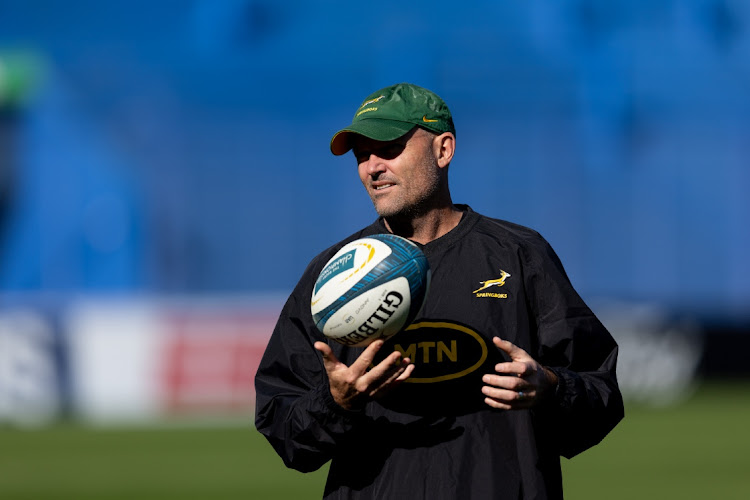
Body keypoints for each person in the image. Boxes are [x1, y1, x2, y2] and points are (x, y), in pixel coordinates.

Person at [255, 83, 624, 499]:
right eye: (361, 155)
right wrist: (336, 403)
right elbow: (284, 432)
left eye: (389, 148)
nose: (372, 167)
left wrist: (553, 389)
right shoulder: (332, 277)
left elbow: (602, 396)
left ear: (443, 150)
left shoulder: (520, 255)